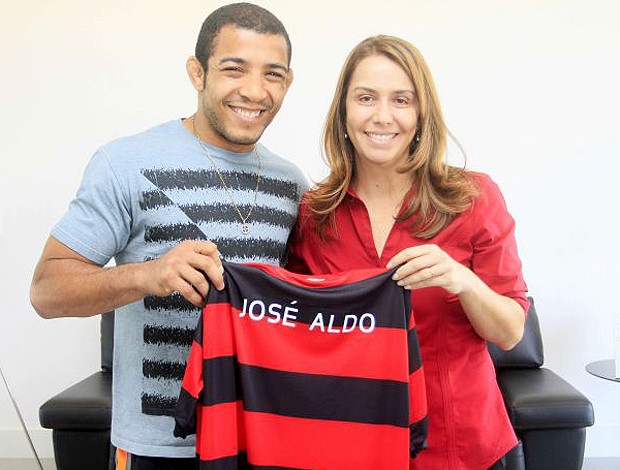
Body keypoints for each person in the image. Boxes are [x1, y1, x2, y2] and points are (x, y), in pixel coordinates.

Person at [30, 3, 307, 469]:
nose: (255, 91)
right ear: (197, 72)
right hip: (158, 449)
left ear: (288, 83)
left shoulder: (293, 184)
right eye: (234, 69)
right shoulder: (126, 163)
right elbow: (46, 292)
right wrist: (148, 275)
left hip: (258, 438)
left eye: (273, 74)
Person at [285, 35, 529, 470]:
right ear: (344, 111)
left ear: (421, 114)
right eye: (366, 98)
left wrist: (463, 280)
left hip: (462, 449)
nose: (382, 116)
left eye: (401, 100)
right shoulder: (314, 212)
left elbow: (510, 332)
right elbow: (300, 331)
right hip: (351, 446)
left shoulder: (475, 198)